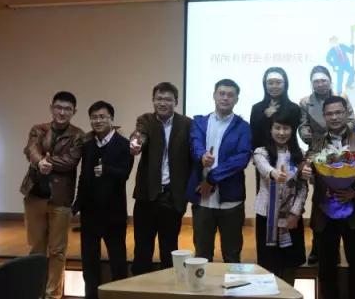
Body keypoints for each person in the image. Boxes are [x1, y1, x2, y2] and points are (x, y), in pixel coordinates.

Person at [304, 95, 355, 299]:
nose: (334, 117)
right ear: (324, 116)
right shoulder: (317, 142)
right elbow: (308, 165)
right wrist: (305, 170)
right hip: (324, 212)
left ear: (346, 114)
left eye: (338, 112)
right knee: (326, 267)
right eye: (330, 114)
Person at [20, 91, 84, 299]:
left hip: (61, 199)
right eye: (58, 107)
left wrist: (47, 162)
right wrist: (39, 162)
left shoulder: (78, 135)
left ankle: (52, 295)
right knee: (36, 249)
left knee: (57, 251)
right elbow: (30, 149)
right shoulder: (38, 129)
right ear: (51, 108)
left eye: (67, 109)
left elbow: (71, 161)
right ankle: (35, 292)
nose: (62, 112)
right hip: (35, 196)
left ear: (74, 112)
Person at [129, 82, 192, 274]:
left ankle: (169, 288)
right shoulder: (146, 120)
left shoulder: (187, 124)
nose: (163, 103)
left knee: (169, 250)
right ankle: (140, 287)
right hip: (147, 196)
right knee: (142, 250)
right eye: (159, 99)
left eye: (167, 99)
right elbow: (139, 134)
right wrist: (136, 143)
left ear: (176, 102)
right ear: (153, 100)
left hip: (172, 197)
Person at [187, 79, 252, 263]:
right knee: (202, 254)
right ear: (214, 95)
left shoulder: (243, 127)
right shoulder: (199, 122)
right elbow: (195, 143)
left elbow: (242, 158)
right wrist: (202, 155)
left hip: (231, 201)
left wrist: (212, 179)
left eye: (230, 95)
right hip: (203, 200)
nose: (225, 98)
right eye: (221, 93)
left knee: (232, 255)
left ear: (236, 99)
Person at [74, 101, 133, 299]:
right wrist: (77, 202)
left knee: (117, 261)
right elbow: (83, 176)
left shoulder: (124, 144)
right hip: (90, 212)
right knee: (89, 263)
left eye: (102, 117)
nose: (97, 121)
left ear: (111, 119)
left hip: (113, 212)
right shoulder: (88, 145)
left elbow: (125, 173)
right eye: (94, 117)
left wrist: (106, 170)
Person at [298, 64, 355, 264]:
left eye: (324, 80)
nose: (320, 84)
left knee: (342, 193)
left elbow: (352, 121)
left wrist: (335, 131)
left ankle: (342, 244)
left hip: (344, 148)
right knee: (321, 198)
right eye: (316, 81)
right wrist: (315, 136)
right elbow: (303, 126)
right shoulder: (305, 102)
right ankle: (318, 247)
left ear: (330, 81)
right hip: (319, 150)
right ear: (311, 83)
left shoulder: (342, 97)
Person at [253, 110, 308, 283]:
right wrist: (274, 173)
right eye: (277, 128)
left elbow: (302, 187)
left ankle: (289, 292)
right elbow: (263, 168)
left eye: (286, 128)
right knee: (268, 263)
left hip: (291, 216)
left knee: (291, 264)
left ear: (292, 130)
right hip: (267, 216)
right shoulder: (261, 152)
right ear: (270, 129)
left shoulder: (300, 153)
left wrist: (295, 214)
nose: (282, 133)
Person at [250, 67, 301, 151]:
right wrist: (265, 117)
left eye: (278, 82)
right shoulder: (256, 108)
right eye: (270, 83)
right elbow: (254, 136)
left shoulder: (294, 108)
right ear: (265, 85)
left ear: (285, 84)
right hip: (261, 154)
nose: (274, 86)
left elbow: (292, 137)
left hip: (288, 154)